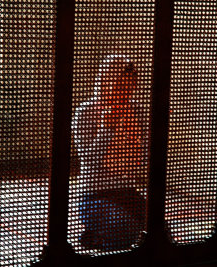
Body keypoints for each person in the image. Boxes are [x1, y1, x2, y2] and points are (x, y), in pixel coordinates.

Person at [72, 54, 148, 251]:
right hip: (94, 196)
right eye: (119, 86)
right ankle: (98, 234)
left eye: (129, 88)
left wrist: (140, 139)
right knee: (125, 227)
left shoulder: (135, 111)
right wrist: (108, 128)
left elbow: (142, 160)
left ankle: (98, 233)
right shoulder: (85, 113)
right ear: (105, 81)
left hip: (126, 193)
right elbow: (90, 162)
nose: (124, 93)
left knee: (157, 226)